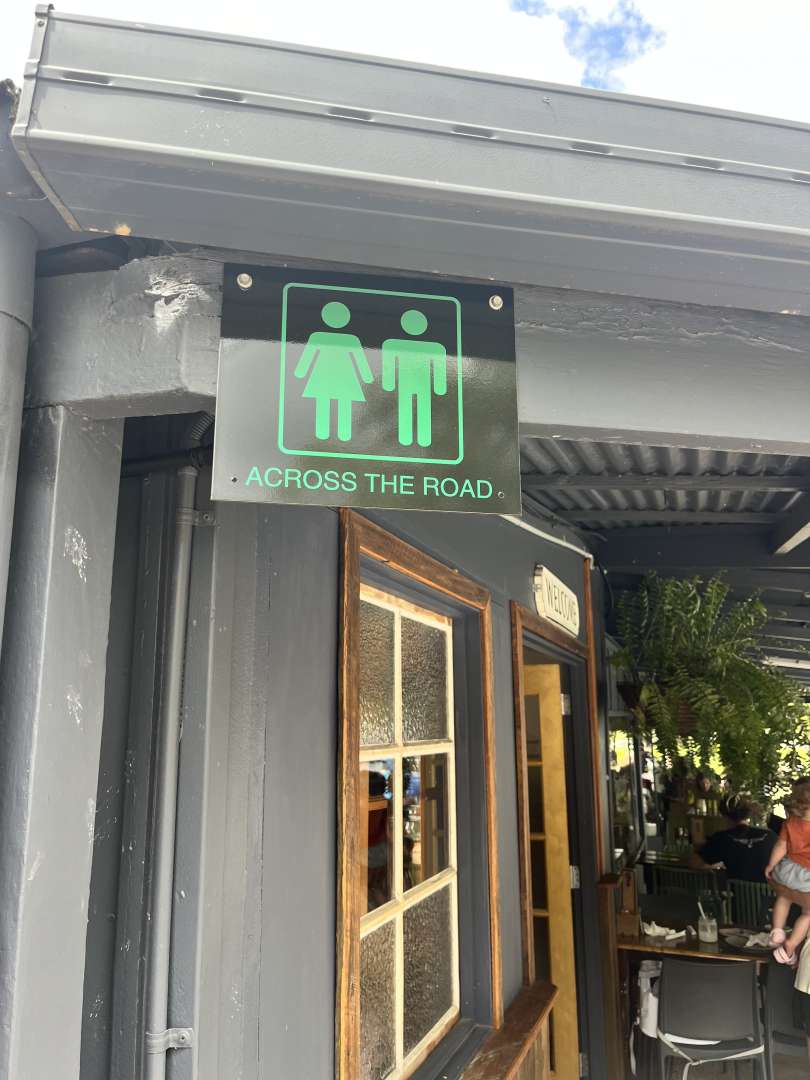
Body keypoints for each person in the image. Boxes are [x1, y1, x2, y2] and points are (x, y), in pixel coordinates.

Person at [293, 301, 373, 442]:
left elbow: (360, 359)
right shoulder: (325, 337)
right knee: (332, 401)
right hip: (334, 376)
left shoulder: (346, 339)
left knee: (334, 401)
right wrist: (367, 377)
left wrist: (301, 372)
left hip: (333, 376)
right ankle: (330, 434)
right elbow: (360, 360)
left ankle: (337, 434)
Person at [766, 778, 810, 965]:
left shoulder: (790, 823)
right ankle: (791, 944)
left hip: (787, 871)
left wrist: (770, 865)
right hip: (807, 877)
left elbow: (780, 846)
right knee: (808, 913)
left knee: (784, 897)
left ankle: (777, 930)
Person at [691, 797, 777, 882]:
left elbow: (696, 863)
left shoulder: (721, 838)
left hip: (737, 890)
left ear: (724, 816)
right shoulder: (770, 835)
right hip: (770, 890)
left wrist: (719, 863)